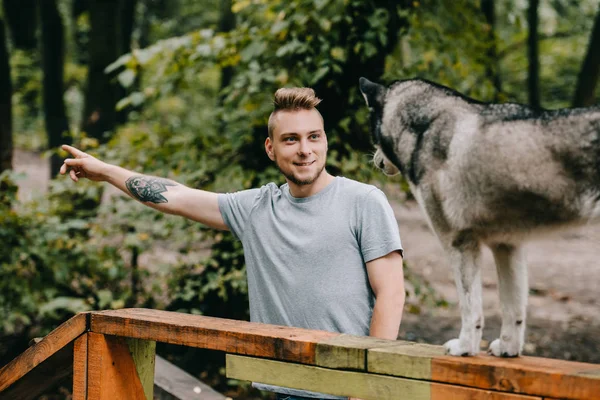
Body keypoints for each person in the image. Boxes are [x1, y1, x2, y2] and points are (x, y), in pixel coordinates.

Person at [60, 87, 405, 400]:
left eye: (313, 137)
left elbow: (391, 293)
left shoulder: (364, 202)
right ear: (271, 148)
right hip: (283, 389)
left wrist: (367, 386)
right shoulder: (255, 208)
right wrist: (103, 170)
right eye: (291, 139)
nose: (305, 150)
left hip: (349, 391)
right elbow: (172, 196)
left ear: (324, 140)